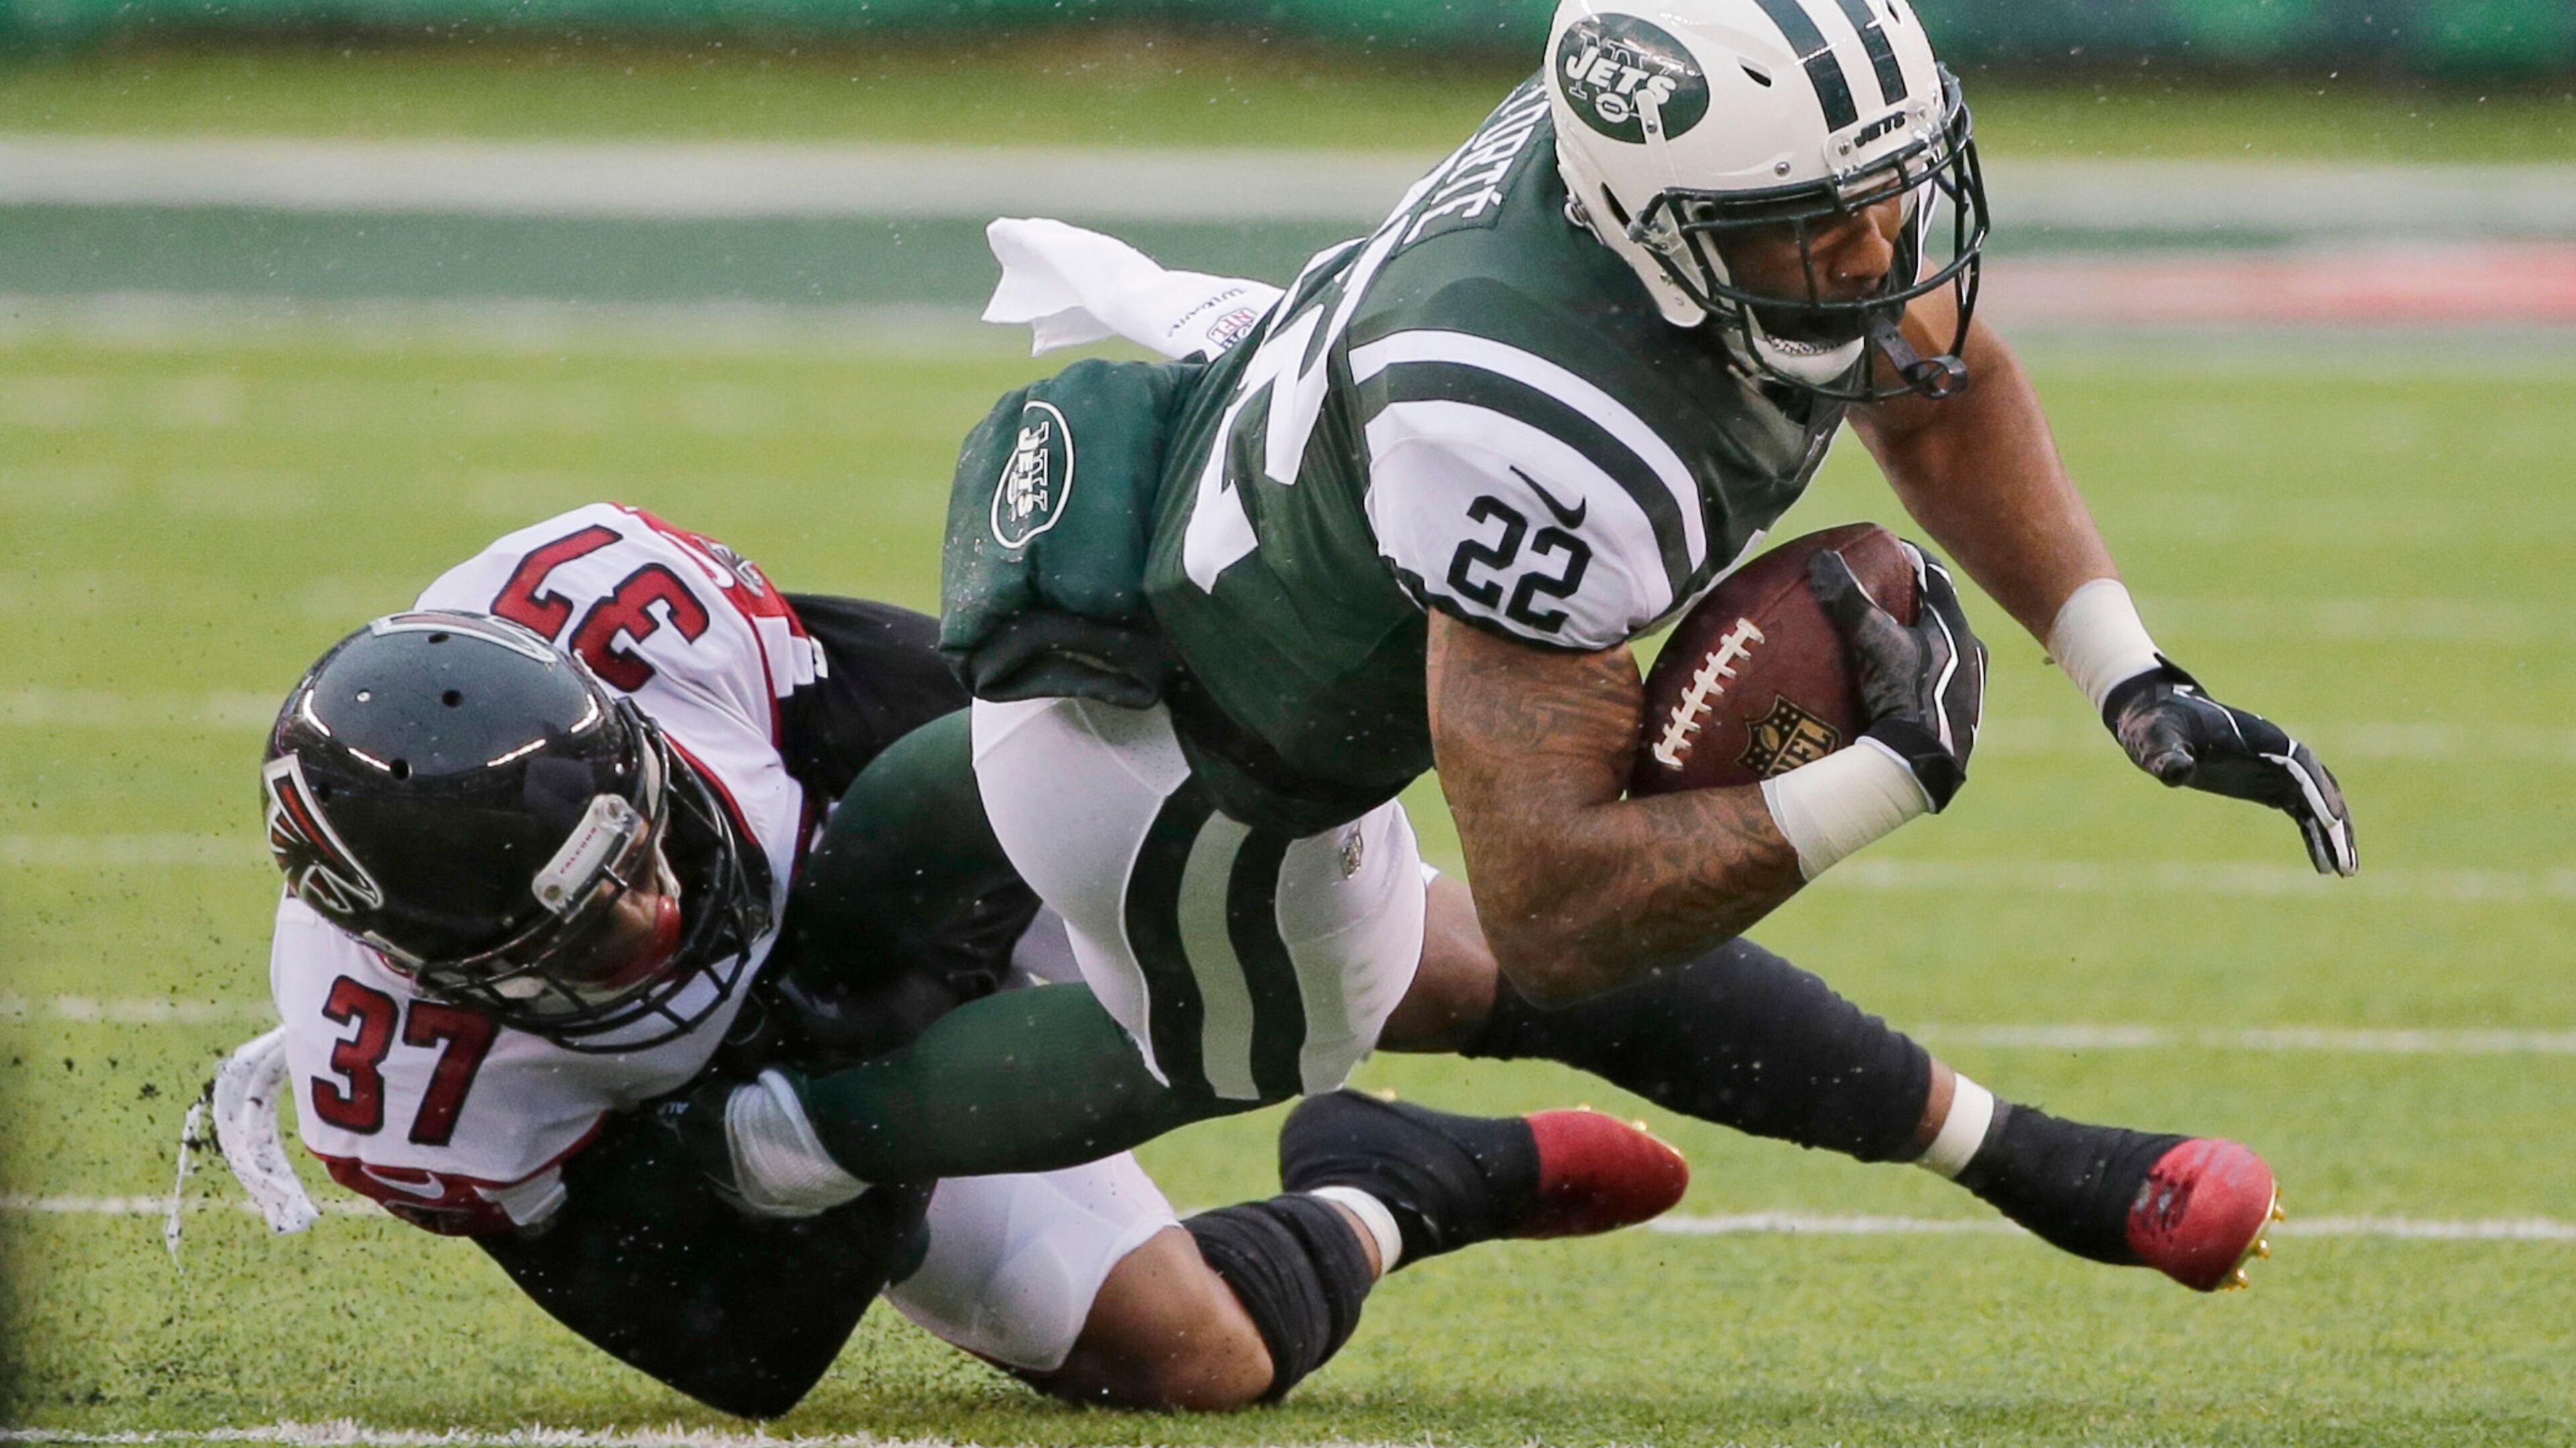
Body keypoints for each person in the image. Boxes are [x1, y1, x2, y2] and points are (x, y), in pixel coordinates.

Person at [667, 0, 2345, 1296]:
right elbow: (1551, 911)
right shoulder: (1538, 433)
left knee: (1000, 789)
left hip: (1199, 529)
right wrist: (1884, 778)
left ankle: (814, 931)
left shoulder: (1668, 185)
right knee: (1251, 1037)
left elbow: (1938, 382)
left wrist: (2127, 669)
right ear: (1669, 231)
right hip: (1194, 770)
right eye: (1814, 223)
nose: (1876, 251)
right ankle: (777, 1146)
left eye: (1887, 188)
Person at [213, 502, 1693, 1419]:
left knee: (1439, 960)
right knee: (1192, 1355)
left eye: (644, 848)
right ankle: (1396, 1186)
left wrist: (922, 937)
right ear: (441, 965)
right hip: (770, 1112)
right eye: (585, 926)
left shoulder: (626, 620)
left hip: (884, 862)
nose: (654, 912)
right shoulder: (408, 1089)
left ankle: (1839, 1082)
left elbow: (963, 717)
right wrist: (854, 1102)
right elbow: (740, 1342)